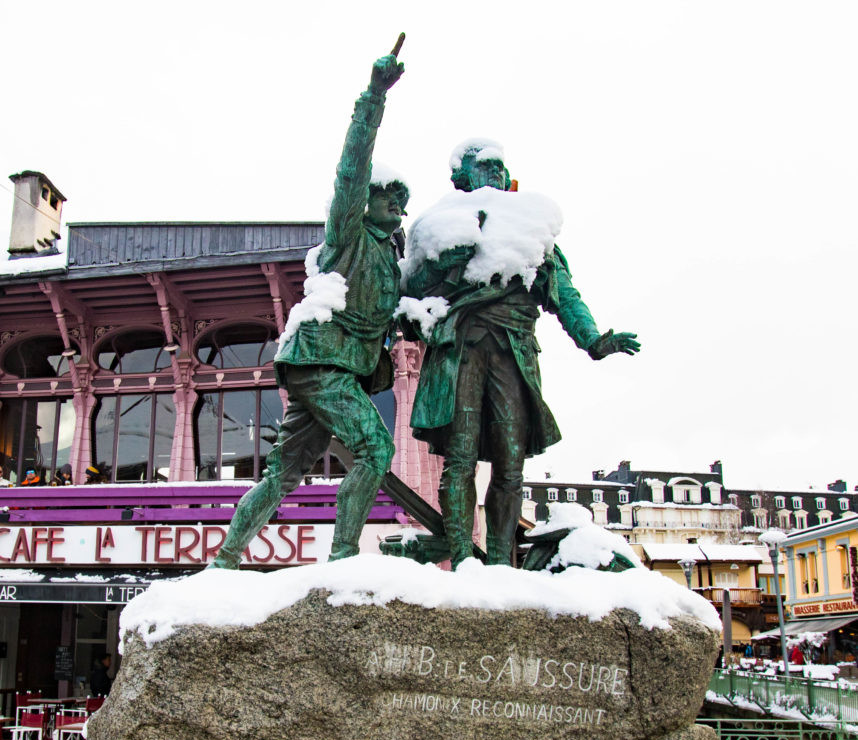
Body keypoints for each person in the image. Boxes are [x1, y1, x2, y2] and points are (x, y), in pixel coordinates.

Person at [212, 45, 407, 568]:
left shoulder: (393, 258)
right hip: (323, 361)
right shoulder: (349, 234)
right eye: (389, 195)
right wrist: (373, 99)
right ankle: (343, 555)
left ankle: (225, 558)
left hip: (335, 368)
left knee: (282, 474)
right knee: (376, 450)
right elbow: (352, 169)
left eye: (403, 199)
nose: (398, 204)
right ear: (367, 201)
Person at [403, 139, 639, 567]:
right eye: (484, 166)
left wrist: (593, 340)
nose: (493, 173)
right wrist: (441, 265)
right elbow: (410, 289)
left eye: (499, 167)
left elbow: (564, 293)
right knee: (460, 457)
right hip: (462, 348)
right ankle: (461, 558)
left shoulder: (530, 227)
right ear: (462, 175)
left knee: (511, 464)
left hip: (514, 352)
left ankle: (498, 561)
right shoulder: (440, 223)